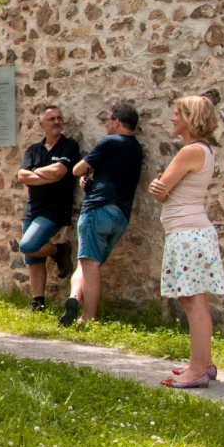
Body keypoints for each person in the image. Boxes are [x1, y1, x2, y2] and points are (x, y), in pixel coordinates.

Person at [151, 95, 224, 388]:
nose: (172, 118)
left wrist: (157, 186)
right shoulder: (202, 150)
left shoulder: (189, 151)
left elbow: (161, 191)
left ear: (190, 118)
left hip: (188, 234)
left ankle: (196, 371)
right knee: (191, 299)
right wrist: (160, 187)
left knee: (193, 301)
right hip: (190, 233)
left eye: (177, 113)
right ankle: (204, 363)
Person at [60, 100, 146, 327]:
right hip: (121, 215)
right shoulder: (137, 148)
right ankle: (74, 297)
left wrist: (87, 174)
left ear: (117, 122)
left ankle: (87, 318)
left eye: (107, 120)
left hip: (97, 209)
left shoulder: (109, 141)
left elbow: (77, 169)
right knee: (88, 262)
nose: (106, 124)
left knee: (90, 264)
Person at [15, 105, 80, 312]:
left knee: (28, 246)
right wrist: (46, 176)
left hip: (54, 210)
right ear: (42, 124)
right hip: (32, 209)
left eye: (59, 118)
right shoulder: (34, 150)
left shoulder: (69, 146)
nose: (57, 122)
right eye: (52, 119)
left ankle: (61, 250)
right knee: (33, 258)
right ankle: (38, 302)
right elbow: (21, 176)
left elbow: (59, 172)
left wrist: (35, 173)